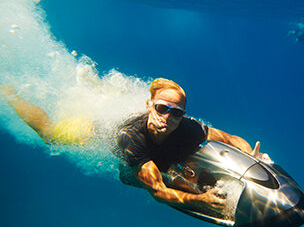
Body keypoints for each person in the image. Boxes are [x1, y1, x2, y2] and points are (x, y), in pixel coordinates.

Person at [1, 79, 270, 213]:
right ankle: (9, 94)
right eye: (162, 109)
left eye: (176, 112)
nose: (169, 117)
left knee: (166, 163)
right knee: (50, 135)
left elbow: (230, 138)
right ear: (149, 106)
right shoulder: (131, 139)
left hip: (149, 148)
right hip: (95, 129)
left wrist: (250, 155)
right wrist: (201, 200)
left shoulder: (187, 127)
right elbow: (158, 190)